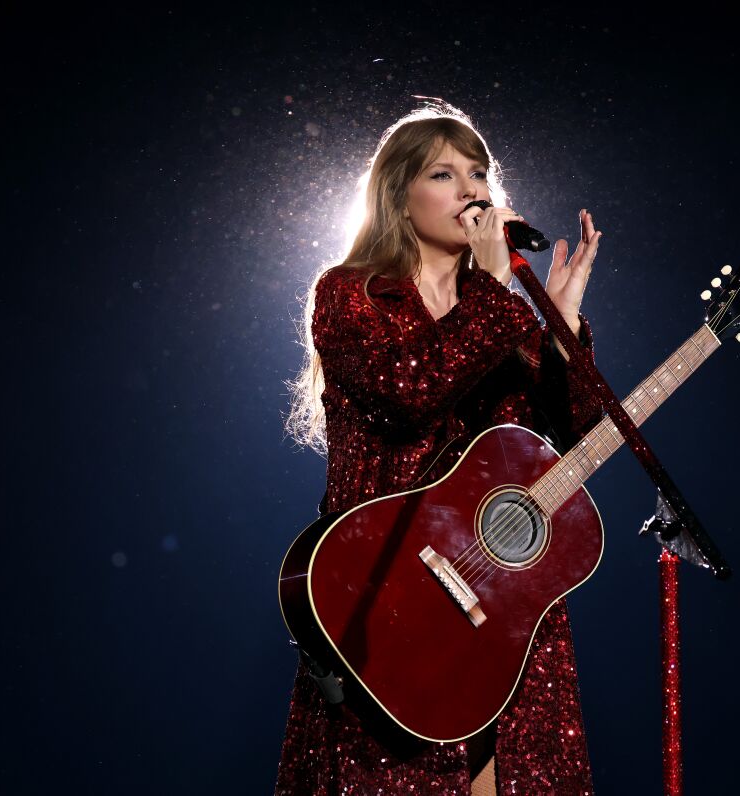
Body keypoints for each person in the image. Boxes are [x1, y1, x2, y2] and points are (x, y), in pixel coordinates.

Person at [276, 101, 604, 795]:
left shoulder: (509, 314)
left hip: (500, 612)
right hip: (392, 604)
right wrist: (492, 292)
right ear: (400, 194)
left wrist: (563, 332)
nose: (471, 189)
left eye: (479, 172)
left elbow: (574, 436)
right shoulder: (352, 295)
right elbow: (406, 391)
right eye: (445, 173)